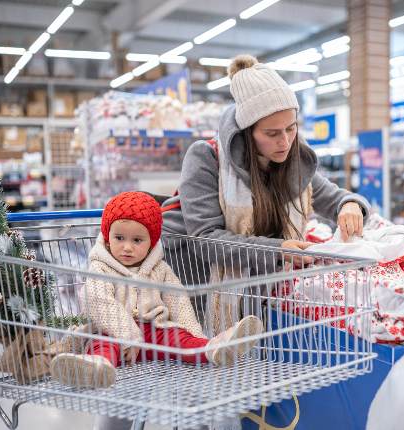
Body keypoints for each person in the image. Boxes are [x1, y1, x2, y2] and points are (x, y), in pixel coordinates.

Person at [162, 55, 370, 284]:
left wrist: (350, 205)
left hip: (258, 283)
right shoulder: (206, 157)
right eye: (272, 133)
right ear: (247, 132)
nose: (285, 142)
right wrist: (277, 250)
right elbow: (205, 239)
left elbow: (334, 197)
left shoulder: (294, 160)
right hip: (202, 284)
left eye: (291, 129)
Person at [49, 191, 263, 389]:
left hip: (155, 332)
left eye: (137, 240)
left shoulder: (159, 268)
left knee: (179, 338)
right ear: (107, 237)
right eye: (119, 238)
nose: (127, 247)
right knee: (102, 344)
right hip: (118, 338)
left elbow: (178, 301)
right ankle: (95, 367)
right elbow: (98, 301)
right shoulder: (100, 268)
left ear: (151, 242)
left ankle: (213, 347)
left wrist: (194, 333)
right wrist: (128, 336)